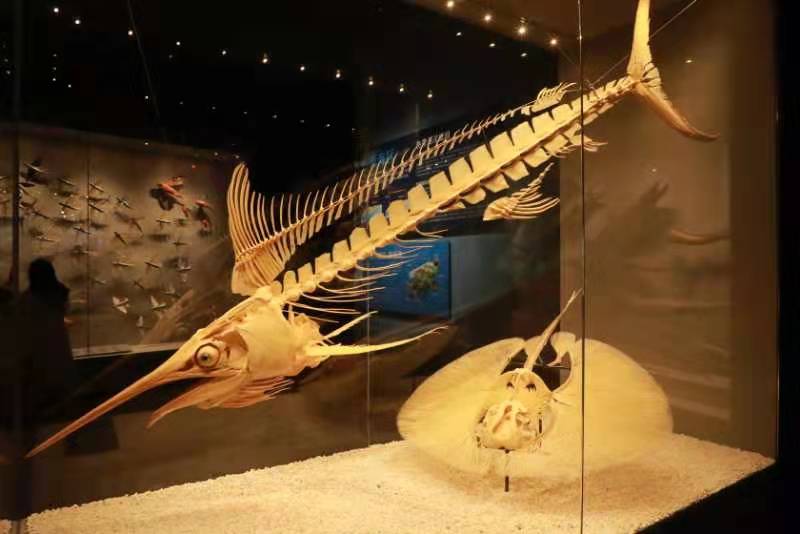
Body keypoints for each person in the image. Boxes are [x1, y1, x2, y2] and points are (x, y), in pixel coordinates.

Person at [15, 259, 76, 419]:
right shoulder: (61, 292)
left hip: (38, 342)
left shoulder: (27, 298)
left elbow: (22, 320)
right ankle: (66, 413)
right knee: (61, 376)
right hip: (58, 339)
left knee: (40, 377)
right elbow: (65, 311)